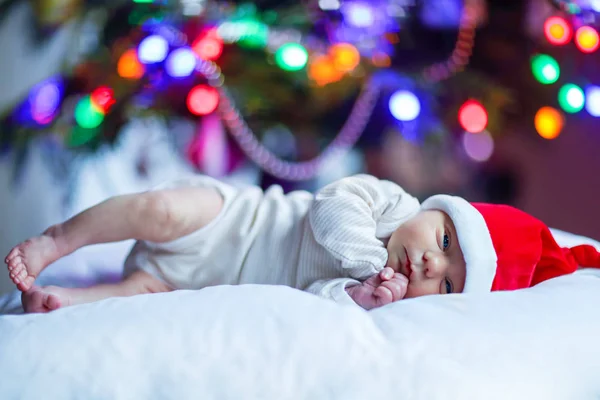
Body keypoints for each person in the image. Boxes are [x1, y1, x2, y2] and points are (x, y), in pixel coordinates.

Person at [5, 174, 600, 313]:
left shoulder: (383, 291)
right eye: (444, 239)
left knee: (139, 294)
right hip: (229, 220)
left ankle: (64, 300)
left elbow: (319, 297)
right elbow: (330, 208)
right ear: (438, 210)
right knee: (158, 210)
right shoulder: (392, 205)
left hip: (203, 280)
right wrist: (369, 261)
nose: (427, 261)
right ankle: (60, 240)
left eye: (445, 280)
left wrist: (360, 295)